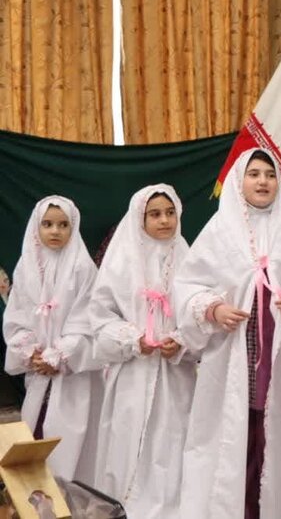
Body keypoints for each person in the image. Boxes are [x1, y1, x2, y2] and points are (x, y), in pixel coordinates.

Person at [175, 149, 281, 519]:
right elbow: (188, 286)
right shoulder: (219, 231)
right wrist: (214, 309)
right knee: (234, 437)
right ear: (238, 181)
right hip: (233, 357)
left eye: (270, 175)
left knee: (277, 436)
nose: (263, 181)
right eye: (254, 174)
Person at [89, 185, 194, 517]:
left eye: (170, 213)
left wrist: (182, 339)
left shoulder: (189, 259)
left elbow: (199, 314)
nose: (164, 221)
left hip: (176, 376)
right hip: (132, 374)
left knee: (172, 443)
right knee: (128, 442)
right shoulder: (121, 261)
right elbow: (100, 317)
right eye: (155, 214)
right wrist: (134, 340)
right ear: (140, 218)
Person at [2, 196, 102, 483]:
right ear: (36, 227)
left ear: (74, 227)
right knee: (35, 431)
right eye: (47, 224)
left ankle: (71, 491)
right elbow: (17, 314)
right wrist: (30, 351)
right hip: (38, 371)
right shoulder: (27, 266)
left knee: (70, 437)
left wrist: (59, 354)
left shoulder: (83, 268)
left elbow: (86, 319)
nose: (55, 231)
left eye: (62, 225)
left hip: (71, 373)